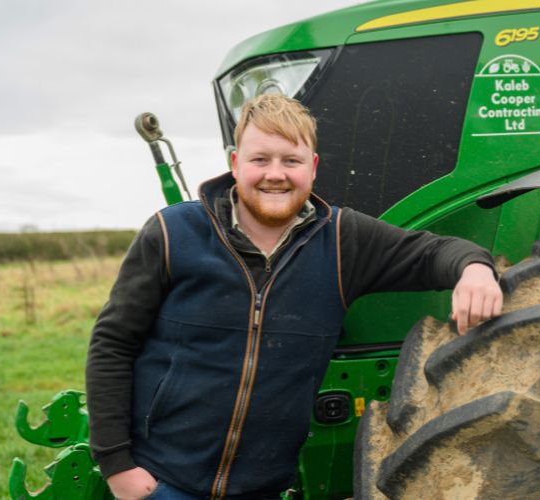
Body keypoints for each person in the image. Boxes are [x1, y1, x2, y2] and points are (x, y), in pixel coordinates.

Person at [86, 94, 503, 500]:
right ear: (235, 164)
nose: (275, 174)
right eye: (260, 159)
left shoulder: (343, 241)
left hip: (260, 488)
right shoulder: (174, 233)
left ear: (313, 167)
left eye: (291, 161)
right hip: (162, 482)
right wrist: (117, 466)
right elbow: (113, 343)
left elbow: (434, 252)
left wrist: (476, 270)